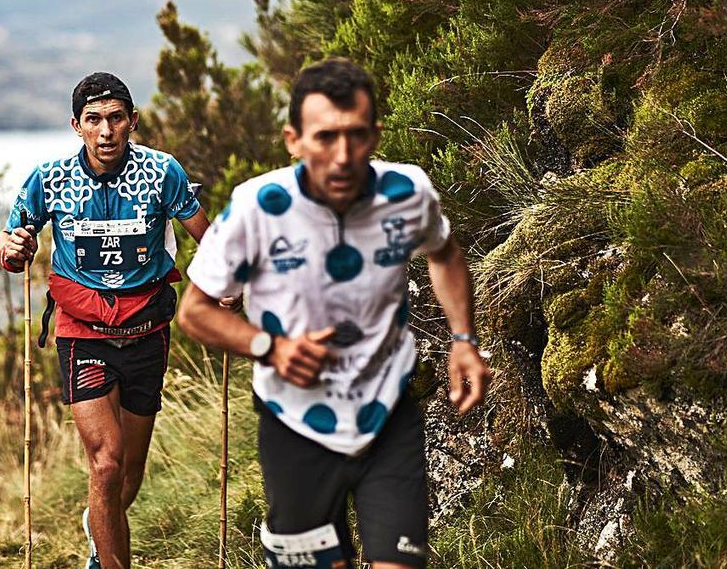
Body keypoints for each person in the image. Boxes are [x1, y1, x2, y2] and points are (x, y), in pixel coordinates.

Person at [177, 58, 491, 569]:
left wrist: (463, 340)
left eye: (357, 136)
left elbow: (446, 254)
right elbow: (194, 311)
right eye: (325, 138)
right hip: (293, 424)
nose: (343, 157)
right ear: (293, 140)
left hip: (387, 411)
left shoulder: (407, 194)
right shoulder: (256, 207)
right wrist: (270, 347)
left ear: (375, 133)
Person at [0, 71, 226, 569]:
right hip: (84, 336)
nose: (106, 131)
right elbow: (10, 242)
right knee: (106, 464)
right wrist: (12, 248)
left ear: (133, 122)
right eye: (94, 120)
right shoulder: (49, 178)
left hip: (147, 333)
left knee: (128, 478)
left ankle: (99, 527)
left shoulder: (162, 173)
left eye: (116, 118)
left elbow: (209, 238)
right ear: (76, 125)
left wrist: (227, 282)